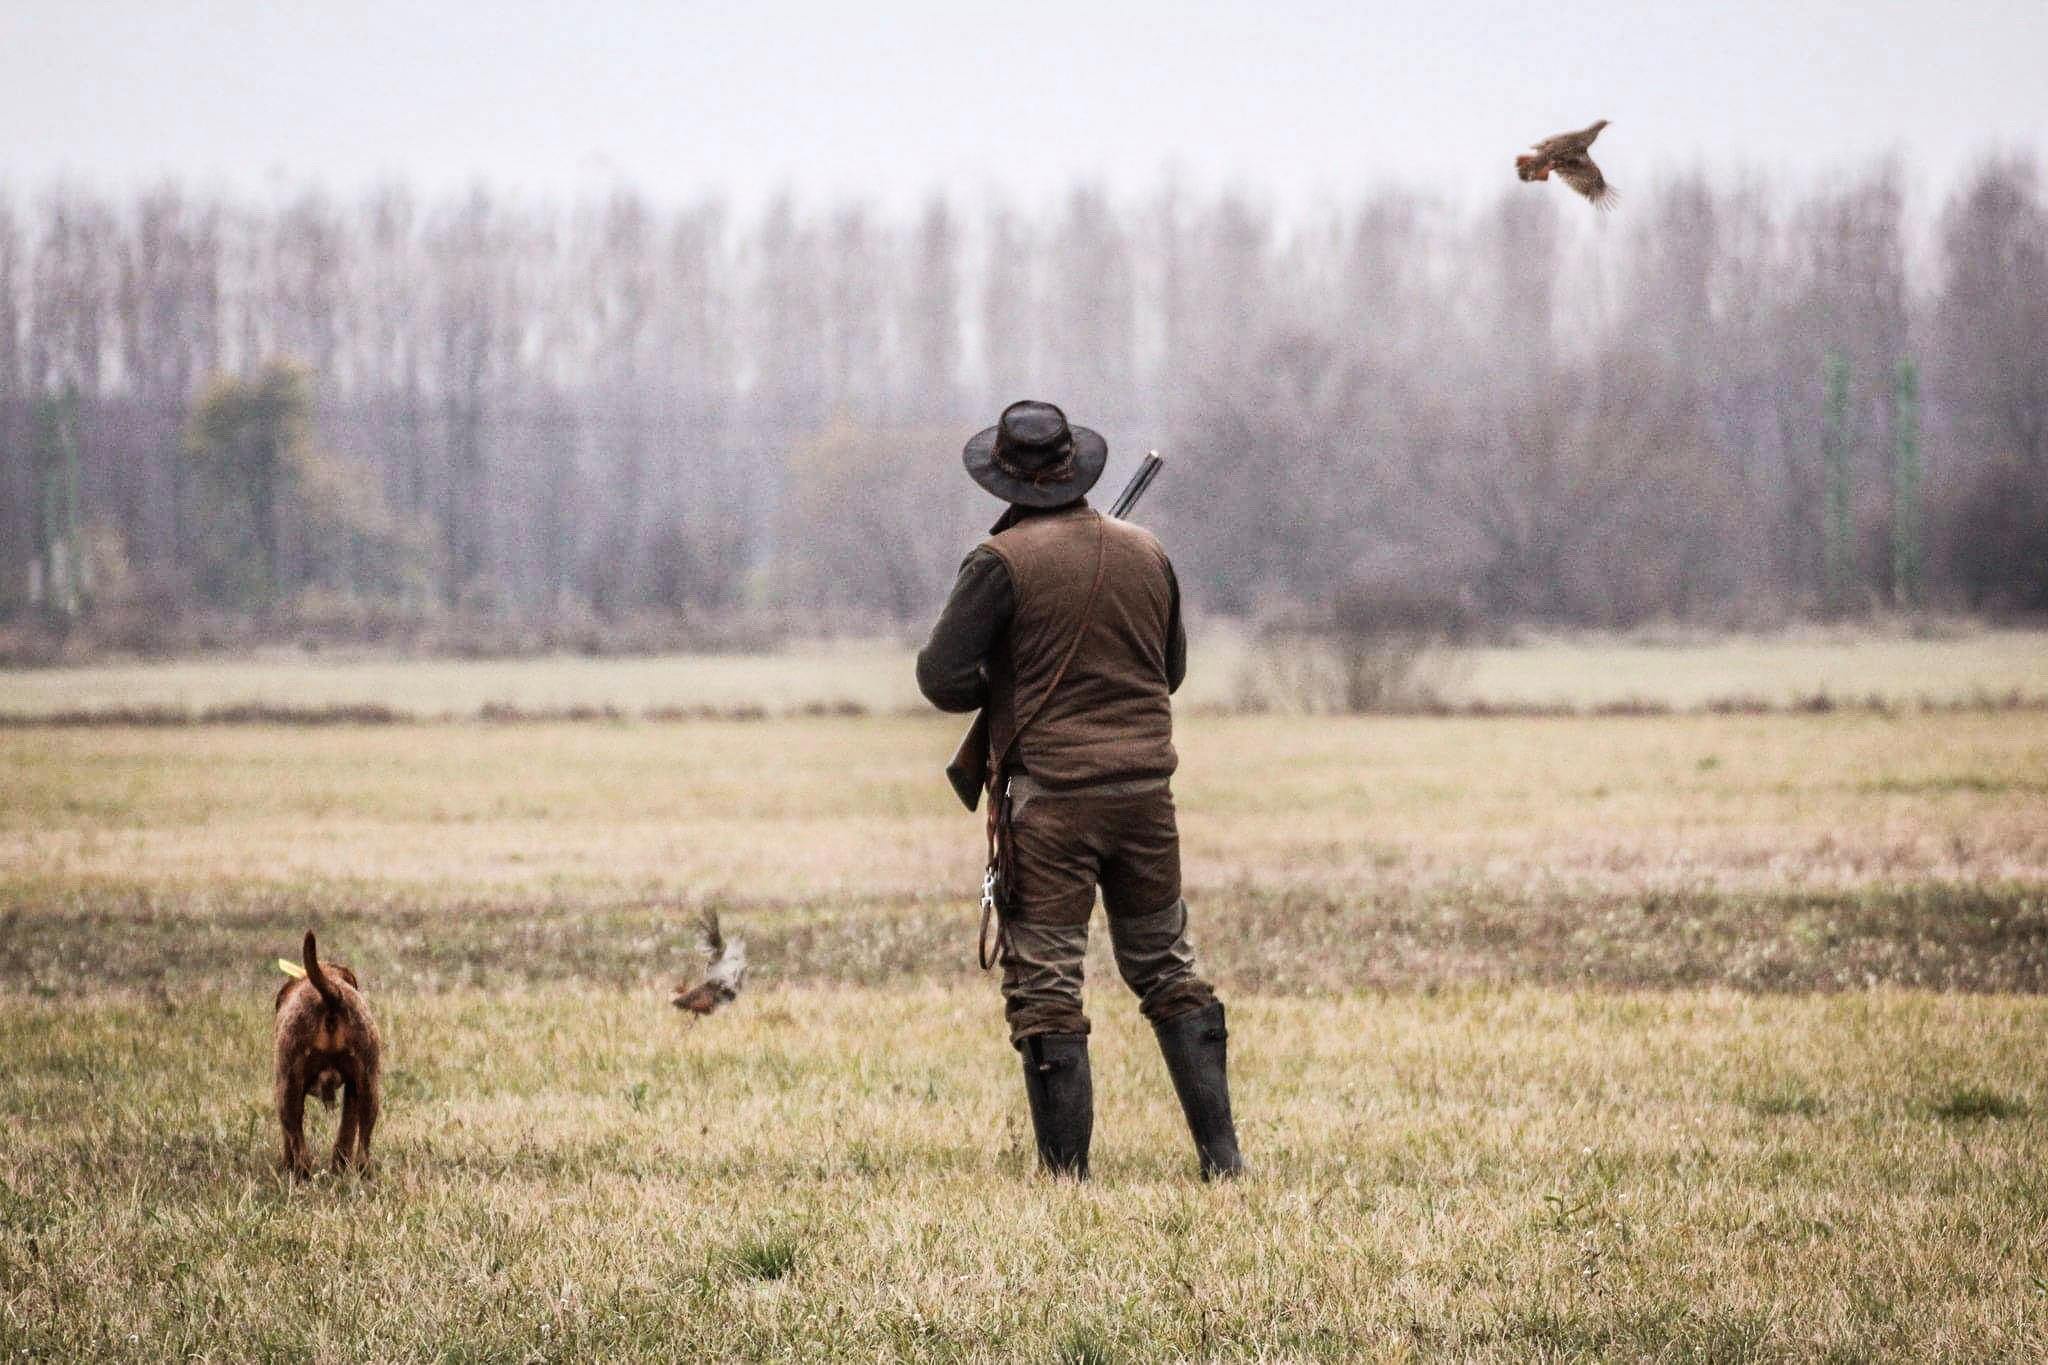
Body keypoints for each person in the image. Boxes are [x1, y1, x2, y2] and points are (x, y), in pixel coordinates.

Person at [916, 399, 1245, 1180]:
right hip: (1146, 797)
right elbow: (1168, 672)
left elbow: (941, 678)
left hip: (1051, 805)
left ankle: (1067, 1180)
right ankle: (1224, 1160)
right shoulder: (1147, 550)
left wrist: (1010, 678)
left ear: (1003, 477)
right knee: (1167, 965)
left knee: (1047, 982)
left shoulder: (998, 562)